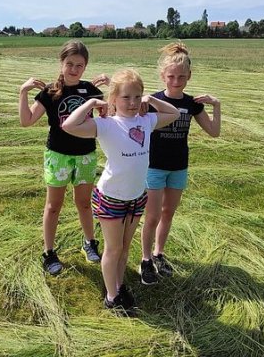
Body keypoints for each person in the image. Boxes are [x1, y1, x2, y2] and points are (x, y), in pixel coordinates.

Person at [62, 69, 180, 311]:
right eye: (126, 97)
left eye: (137, 97)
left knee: (125, 248)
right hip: (111, 197)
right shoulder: (106, 125)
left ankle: (118, 284)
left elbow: (174, 113)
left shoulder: (146, 120)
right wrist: (91, 103)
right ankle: (111, 297)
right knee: (113, 248)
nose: (133, 102)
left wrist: (151, 99)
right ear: (113, 98)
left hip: (137, 196)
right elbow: (69, 125)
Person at [18, 40, 110, 275]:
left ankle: (89, 243)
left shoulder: (91, 90)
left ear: (85, 66)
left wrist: (112, 87)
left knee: (84, 203)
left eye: (79, 65)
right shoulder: (49, 92)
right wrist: (23, 92)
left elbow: (112, 116)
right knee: (53, 206)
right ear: (61, 63)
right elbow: (27, 121)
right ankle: (49, 252)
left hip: (85, 155)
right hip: (58, 156)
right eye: (69, 64)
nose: (74, 69)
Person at [139, 42, 221, 285]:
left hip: (178, 167)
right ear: (162, 76)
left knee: (168, 213)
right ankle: (145, 260)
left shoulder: (192, 104)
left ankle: (159, 253)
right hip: (154, 166)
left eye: (182, 77)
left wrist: (216, 106)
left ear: (189, 76)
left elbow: (214, 132)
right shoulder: (151, 101)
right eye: (171, 76)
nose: (176, 81)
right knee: (152, 216)